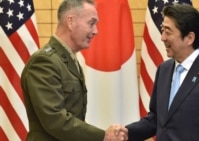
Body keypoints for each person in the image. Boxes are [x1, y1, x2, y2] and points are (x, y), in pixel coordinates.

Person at [125, 3, 199, 141]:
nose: (162, 37)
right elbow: (156, 119)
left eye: (168, 31)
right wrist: (126, 132)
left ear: (189, 38)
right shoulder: (163, 70)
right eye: (162, 30)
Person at [21, 0, 127, 140]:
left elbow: (74, 116)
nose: (96, 31)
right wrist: (103, 136)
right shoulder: (44, 62)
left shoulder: (68, 60)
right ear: (70, 22)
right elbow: (55, 119)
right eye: (91, 23)